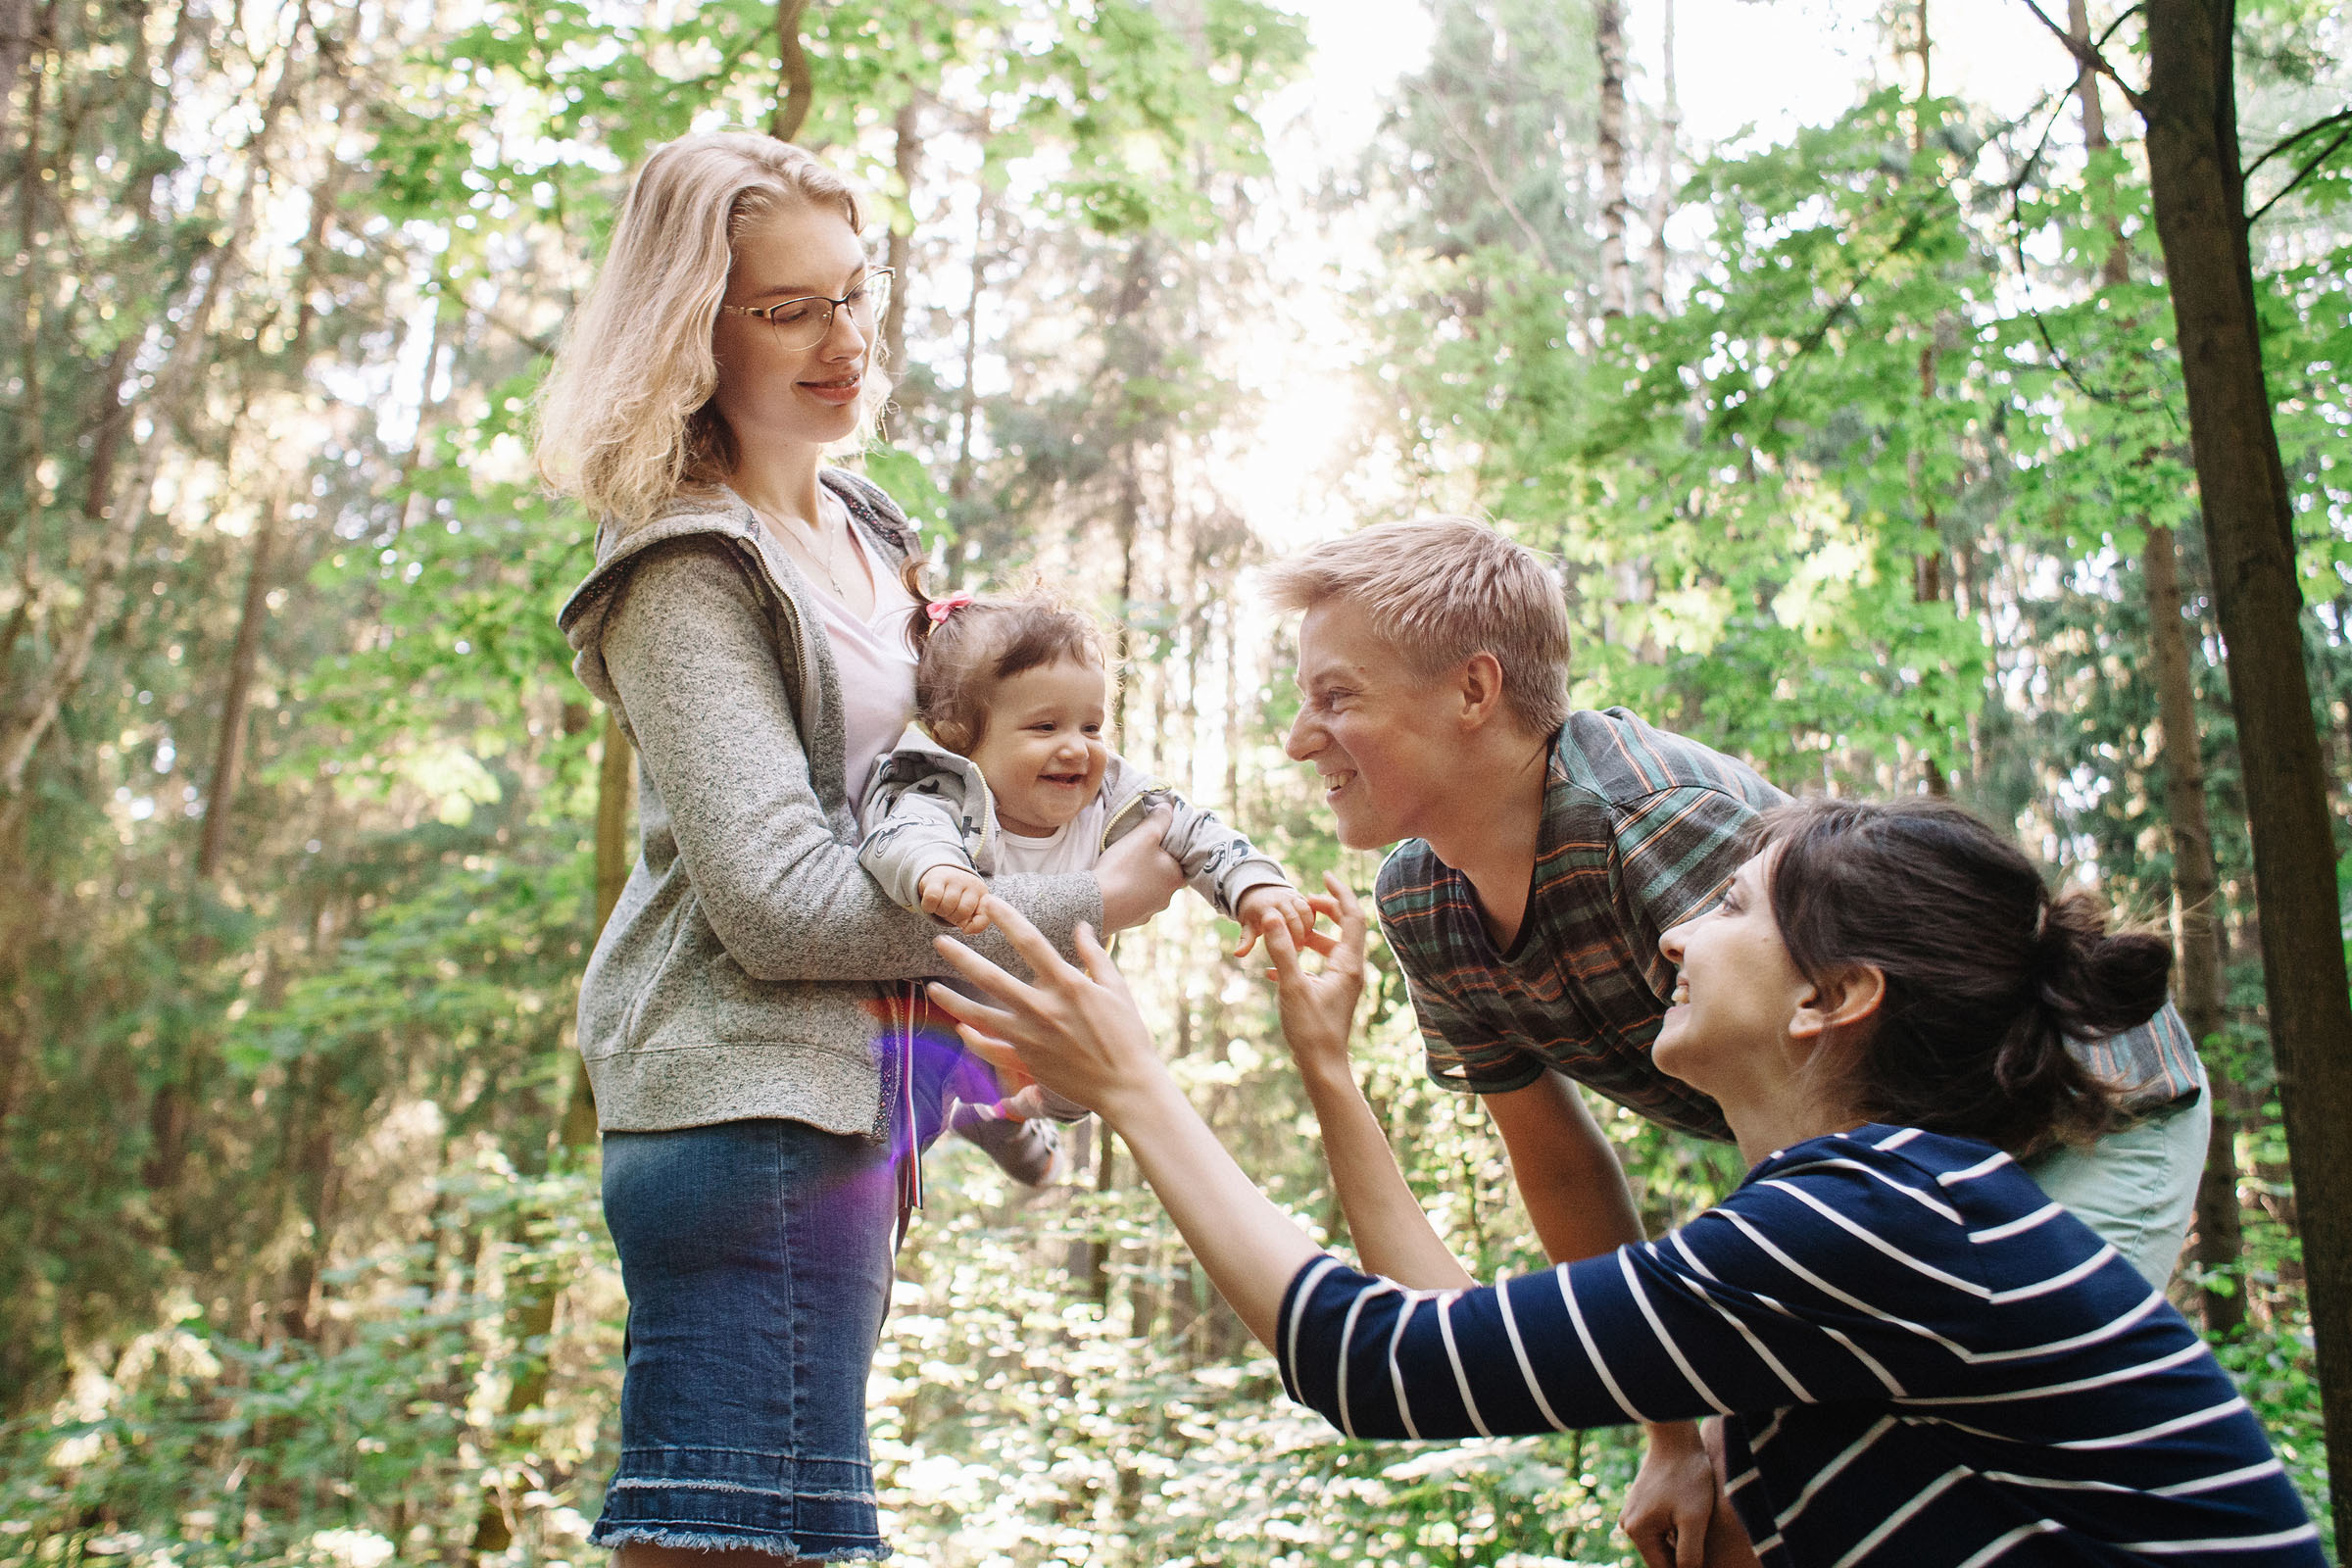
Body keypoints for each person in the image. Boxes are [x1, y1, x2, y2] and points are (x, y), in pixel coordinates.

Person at [923, 799, 2322, 1568]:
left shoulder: (1876, 1219)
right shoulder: (1863, 1232)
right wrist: (1328, 1068)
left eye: (1727, 909)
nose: (1673, 935)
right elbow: (1447, 1329)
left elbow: (1375, 1364)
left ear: (1833, 997)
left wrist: (1134, 1087)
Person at [1255, 517, 2214, 1565]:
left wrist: (1725, 1413)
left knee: (1827, 1483)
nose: (1301, 737)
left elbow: (1871, 1107)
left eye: (1336, 696)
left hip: (2068, 1110)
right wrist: (1669, 1432)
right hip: (1862, 1176)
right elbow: (1557, 1157)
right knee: (1731, 1484)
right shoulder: (1422, 902)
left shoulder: (1656, 825)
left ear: (1474, 692)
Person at [538, 132, 1188, 1563]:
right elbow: (776, 904)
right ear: (687, 335)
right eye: (790, 311)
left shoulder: (866, 524)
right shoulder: (684, 573)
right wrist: (1090, 898)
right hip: (739, 1106)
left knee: (754, 1535)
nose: (847, 340)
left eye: (856, 290)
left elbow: (919, 805)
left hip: (845, 1117)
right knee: (742, 1543)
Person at [857, 587, 1316, 1185]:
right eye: (1045, 726)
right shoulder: (944, 795)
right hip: (953, 1013)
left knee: (1087, 1088)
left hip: (1060, 1013)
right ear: (959, 736)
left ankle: (1012, 1116)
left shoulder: (1116, 800)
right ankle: (975, 1111)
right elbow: (899, 837)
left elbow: (1196, 832)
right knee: (925, 1079)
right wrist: (936, 872)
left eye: (1092, 726)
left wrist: (1254, 888)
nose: (1076, 747)